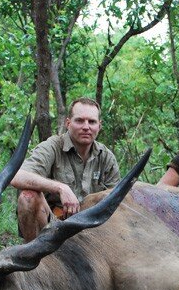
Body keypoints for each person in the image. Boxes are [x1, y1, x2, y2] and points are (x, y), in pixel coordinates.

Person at [11, 97, 120, 241]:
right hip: (52, 230)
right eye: (79, 120)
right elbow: (17, 176)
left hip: (92, 233)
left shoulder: (106, 157)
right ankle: (35, 258)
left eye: (92, 122)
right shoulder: (52, 146)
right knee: (28, 197)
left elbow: (117, 204)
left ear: (99, 126)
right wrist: (61, 188)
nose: (86, 126)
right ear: (68, 123)